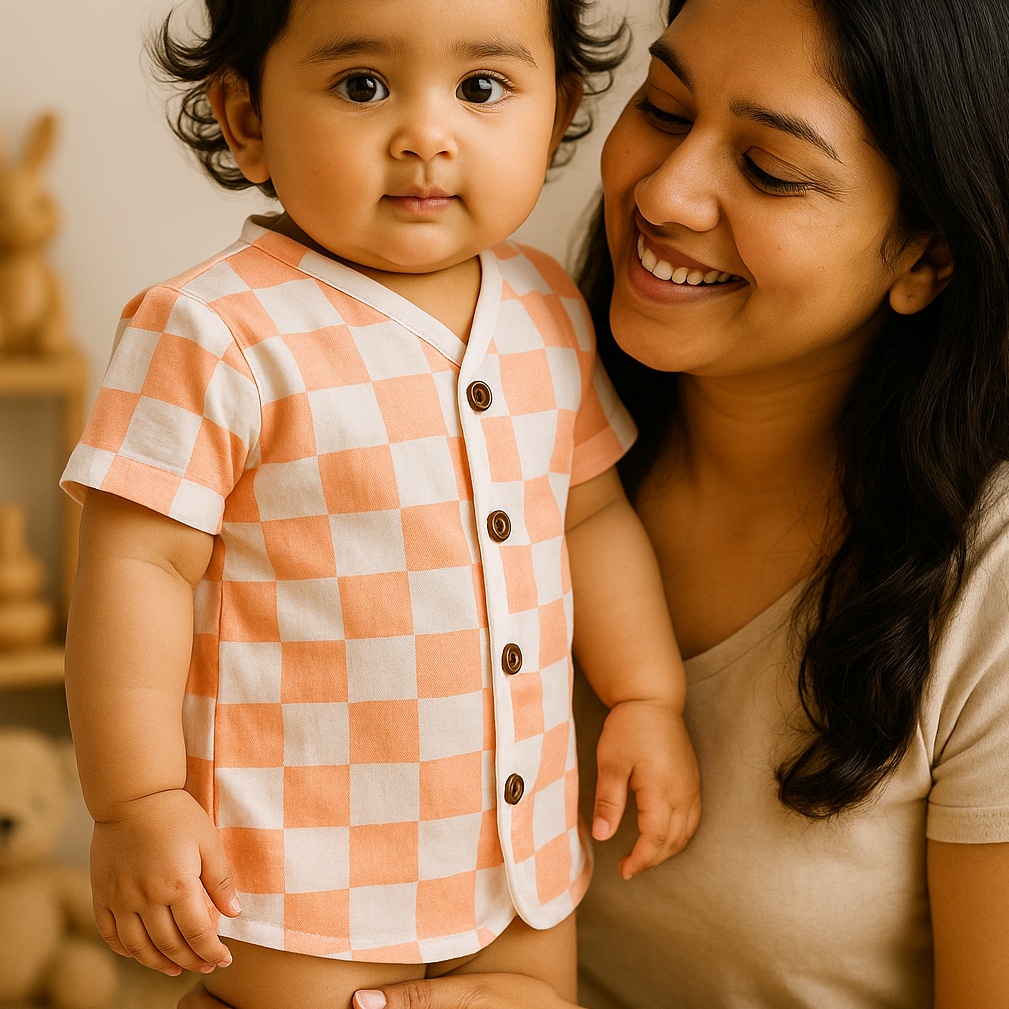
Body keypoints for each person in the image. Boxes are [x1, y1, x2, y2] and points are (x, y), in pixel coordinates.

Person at [181, 0, 1009, 1005]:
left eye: (769, 170)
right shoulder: (462, 407)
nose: (663, 193)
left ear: (924, 256)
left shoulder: (988, 587)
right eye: (662, 109)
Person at [60, 0, 704, 1006]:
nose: (426, 135)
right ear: (247, 120)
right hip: (296, 871)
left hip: (513, 870)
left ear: (560, 108)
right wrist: (134, 801)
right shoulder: (214, 328)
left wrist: (644, 696)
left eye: (482, 88)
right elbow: (135, 566)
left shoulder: (545, 306)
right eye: (362, 86)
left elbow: (587, 517)